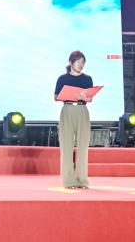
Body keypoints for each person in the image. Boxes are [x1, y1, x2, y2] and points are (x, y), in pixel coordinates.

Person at [54, 50, 93, 189]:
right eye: (78, 62)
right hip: (68, 109)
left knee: (83, 146)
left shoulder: (87, 79)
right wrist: (69, 95)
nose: (81, 65)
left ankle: (82, 180)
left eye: (83, 62)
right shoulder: (62, 78)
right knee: (67, 146)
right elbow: (56, 97)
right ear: (71, 63)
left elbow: (90, 98)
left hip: (82, 110)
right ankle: (69, 181)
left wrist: (84, 97)